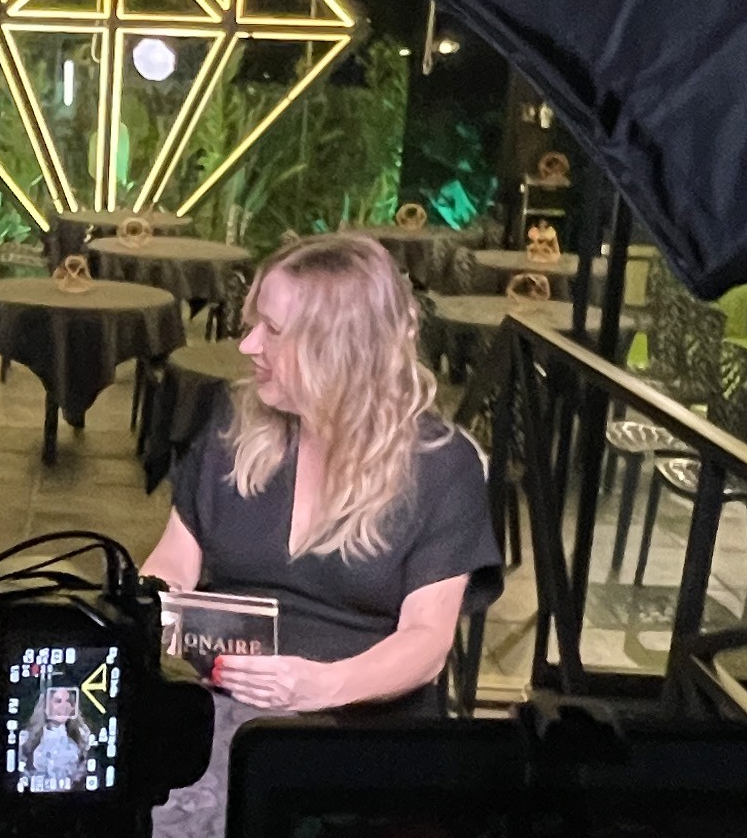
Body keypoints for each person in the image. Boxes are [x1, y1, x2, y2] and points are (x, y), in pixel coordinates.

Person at [146, 232, 497, 721]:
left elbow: (426, 643)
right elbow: (173, 563)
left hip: (355, 721)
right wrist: (149, 612)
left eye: (271, 329)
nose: (248, 345)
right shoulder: (236, 428)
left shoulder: (441, 466)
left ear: (340, 347)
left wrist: (319, 686)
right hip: (217, 701)